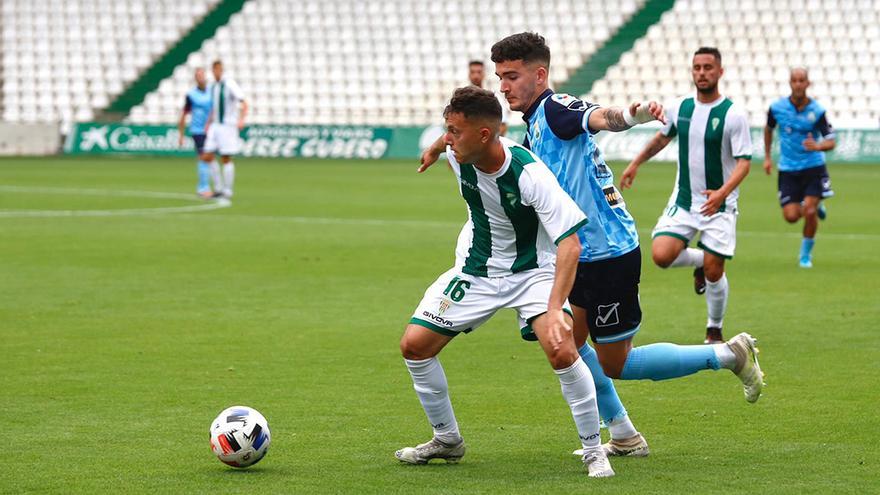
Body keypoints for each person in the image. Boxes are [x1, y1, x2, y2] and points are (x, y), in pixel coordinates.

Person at [423, 34, 763, 459]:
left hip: (608, 253)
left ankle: (727, 355)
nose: (503, 86)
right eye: (499, 77)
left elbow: (603, 117)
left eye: (511, 76)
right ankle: (623, 434)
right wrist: (444, 142)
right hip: (574, 253)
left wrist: (636, 113)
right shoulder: (533, 125)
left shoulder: (557, 108)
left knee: (616, 362)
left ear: (539, 74)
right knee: (568, 348)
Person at [396, 86, 615, 477]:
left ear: (485, 135)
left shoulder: (529, 173)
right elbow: (446, 141)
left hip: (533, 273)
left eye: (455, 132)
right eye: (446, 130)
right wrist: (435, 147)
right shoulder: (458, 150)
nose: (448, 139)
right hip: (476, 271)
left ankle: (594, 449)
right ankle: (447, 439)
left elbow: (570, 244)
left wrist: (554, 308)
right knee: (414, 347)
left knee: (561, 348)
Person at [622, 47, 753, 345]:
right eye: (697, 67)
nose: (702, 73)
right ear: (692, 71)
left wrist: (721, 193)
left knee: (715, 270)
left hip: (719, 205)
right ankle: (699, 263)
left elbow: (744, 162)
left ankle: (714, 329)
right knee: (661, 255)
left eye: (708, 67)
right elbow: (661, 138)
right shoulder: (680, 107)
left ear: (720, 72)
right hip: (684, 200)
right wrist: (635, 163)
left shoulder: (733, 114)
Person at [763, 68, 836, 268]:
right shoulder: (777, 108)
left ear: (807, 83)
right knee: (791, 217)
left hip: (813, 167)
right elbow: (768, 129)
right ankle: (816, 206)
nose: (798, 84)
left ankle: (805, 256)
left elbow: (831, 141)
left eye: (801, 80)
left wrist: (818, 146)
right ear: (790, 83)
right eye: (794, 80)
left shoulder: (817, 111)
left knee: (810, 212)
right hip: (788, 169)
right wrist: (768, 157)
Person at [204, 60, 248, 199]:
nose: (216, 72)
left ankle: (227, 191)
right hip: (214, 125)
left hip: (227, 126)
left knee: (226, 158)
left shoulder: (229, 84)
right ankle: (218, 188)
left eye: (219, 69)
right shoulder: (212, 86)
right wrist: (208, 122)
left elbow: (243, 102)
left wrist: (241, 119)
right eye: (214, 69)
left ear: (221, 70)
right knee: (207, 156)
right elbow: (214, 107)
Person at [177, 68, 214, 198]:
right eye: (198, 75)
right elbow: (184, 114)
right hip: (198, 130)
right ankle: (203, 188)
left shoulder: (213, 92)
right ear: (195, 78)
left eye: (202, 75)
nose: (200, 77)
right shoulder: (191, 95)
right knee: (203, 157)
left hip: (212, 130)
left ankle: (213, 186)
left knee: (210, 159)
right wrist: (180, 135)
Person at [467, 60, 510, 136]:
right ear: (469, 74)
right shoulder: (462, 99)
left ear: (484, 74)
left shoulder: (494, 97)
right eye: (473, 72)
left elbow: (503, 125)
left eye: (479, 72)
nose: (476, 76)